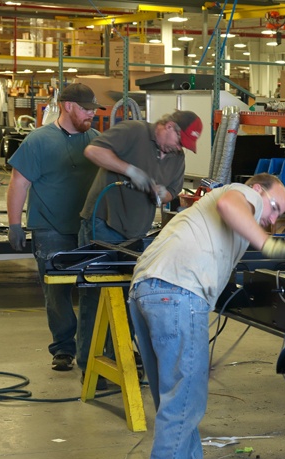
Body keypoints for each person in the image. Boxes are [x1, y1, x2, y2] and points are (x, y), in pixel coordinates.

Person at [129, 173, 285, 459]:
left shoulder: (218, 217)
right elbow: (231, 204)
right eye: (274, 207)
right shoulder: (240, 195)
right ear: (258, 190)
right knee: (183, 402)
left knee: (179, 398)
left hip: (150, 290)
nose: (273, 218)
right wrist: (271, 245)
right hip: (176, 292)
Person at [76, 110, 202, 382]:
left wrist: (161, 193)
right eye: (179, 141)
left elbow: (173, 191)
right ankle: (90, 365)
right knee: (96, 297)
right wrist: (130, 170)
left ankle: (118, 358)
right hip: (104, 222)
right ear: (169, 126)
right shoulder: (134, 131)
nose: (179, 148)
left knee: (131, 298)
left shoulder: (177, 157)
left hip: (136, 232)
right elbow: (93, 151)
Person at [5, 83, 102, 372]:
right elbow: (18, 183)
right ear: (67, 106)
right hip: (50, 228)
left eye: (93, 110)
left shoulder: (96, 141)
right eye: (86, 109)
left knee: (93, 289)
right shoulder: (38, 140)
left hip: (88, 228)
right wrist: (14, 224)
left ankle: (91, 347)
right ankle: (63, 347)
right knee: (56, 292)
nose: (92, 115)